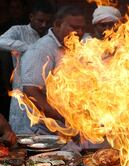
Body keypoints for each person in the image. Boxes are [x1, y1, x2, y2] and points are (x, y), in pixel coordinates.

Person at [20, 5, 86, 134]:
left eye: (82, 28)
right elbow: (31, 91)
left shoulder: (73, 46)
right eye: (74, 27)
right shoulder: (41, 50)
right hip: (41, 132)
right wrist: (64, 118)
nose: (80, 32)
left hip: (64, 129)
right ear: (58, 24)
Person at [0, 0, 53, 135]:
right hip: (22, 92)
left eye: (47, 21)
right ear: (31, 17)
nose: (44, 25)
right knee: (23, 139)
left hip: (45, 95)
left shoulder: (50, 36)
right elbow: (1, 41)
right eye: (40, 20)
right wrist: (29, 48)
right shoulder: (19, 30)